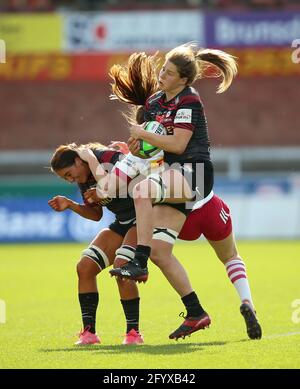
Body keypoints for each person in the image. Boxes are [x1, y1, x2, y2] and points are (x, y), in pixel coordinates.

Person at [108, 43, 261, 340]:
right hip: (172, 175)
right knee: (162, 253)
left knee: (142, 191)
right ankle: (194, 312)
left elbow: (178, 145)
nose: (162, 74)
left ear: (184, 80)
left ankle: (138, 259)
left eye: (169, 72)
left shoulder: (190, 101)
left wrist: (143, 134)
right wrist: (138, 146)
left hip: (196, 174)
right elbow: (148, 145)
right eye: (162, 69)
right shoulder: (154, 101)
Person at [49, 142, 144, 345]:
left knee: (122, 268)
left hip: (145, 218)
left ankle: (133, 333)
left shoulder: (105, 157)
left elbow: (127, 179)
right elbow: (95, 214)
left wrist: (95, 167)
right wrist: (71, 205)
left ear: (77, 160)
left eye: (68, 174)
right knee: (84, 268)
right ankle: (89, 333)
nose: (70, 180)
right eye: (66, 178)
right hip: (123, 223)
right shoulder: (83, 177)